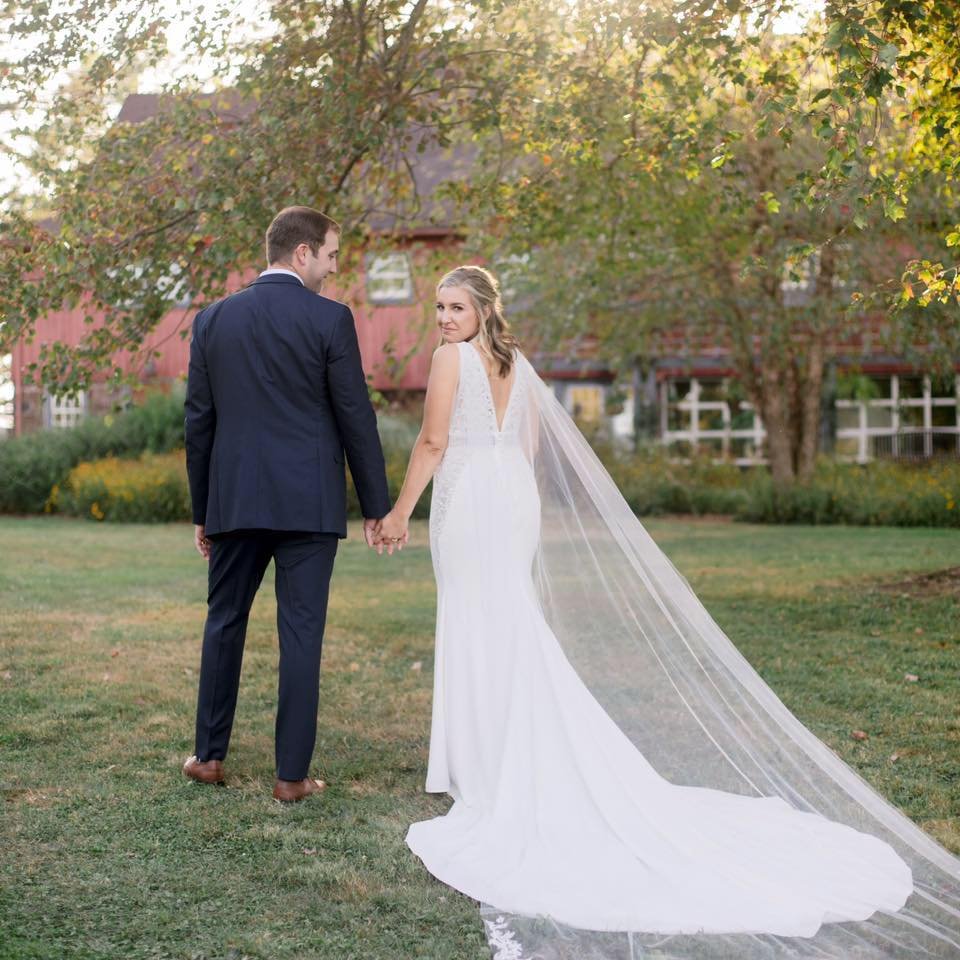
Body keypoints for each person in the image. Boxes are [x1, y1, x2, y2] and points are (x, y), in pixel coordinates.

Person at [373, 265, 920, 946]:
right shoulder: (518, 363)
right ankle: (495, 756)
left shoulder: (449, 359)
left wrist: (399, 512)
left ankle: (486, 768)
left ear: (483, 310)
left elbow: (432, 441)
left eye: (455, 307)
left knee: (482, 622)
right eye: (438, 307)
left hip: (472, 497)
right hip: (511, 496)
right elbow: (531, 446)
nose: (443, 318)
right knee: (507, 623)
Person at [182, 206, 394, 803]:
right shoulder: (331, 319)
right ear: (301, 253)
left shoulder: (212, 319)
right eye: (330, 254)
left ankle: (207, 756)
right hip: (309, 504)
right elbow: (355, 413)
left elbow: (199, 423)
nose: (333, 266)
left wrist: (204, 509)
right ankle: (290, 777)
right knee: (302, 634)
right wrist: (374, 504)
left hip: (236, 500)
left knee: (224, 622)